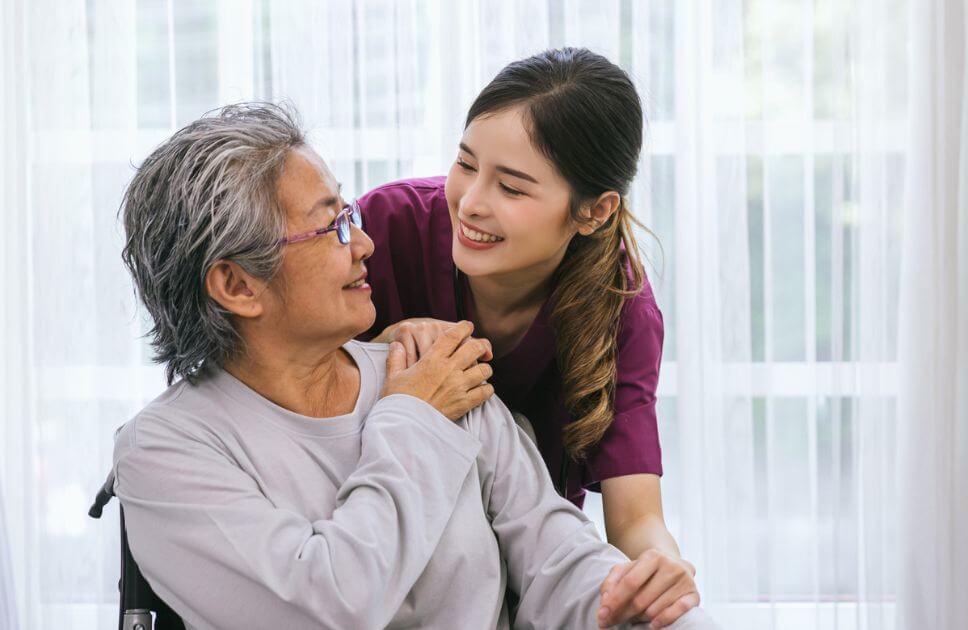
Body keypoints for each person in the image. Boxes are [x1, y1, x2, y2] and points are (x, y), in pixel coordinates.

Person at [111, 102, 715, 629]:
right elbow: (328, 609)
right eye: (332, 228)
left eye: (352, 216)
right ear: (238, 286)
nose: (365, 243)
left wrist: (621, 597)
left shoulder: (433, 369)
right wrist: (412, 416)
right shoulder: (166, 452)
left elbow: (554, 557)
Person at [359, 48, 696, 628]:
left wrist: (663, 572)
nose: (470, 203)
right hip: (376, 560)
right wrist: (383, 344)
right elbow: (287, 382)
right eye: (465, 164)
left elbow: (636, 518)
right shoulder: (386, 227)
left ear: (594, 211)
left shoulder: (621, 310)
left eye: (511, 189)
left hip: (525, 583)